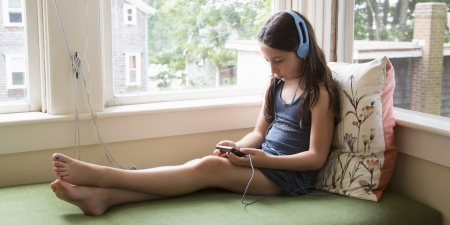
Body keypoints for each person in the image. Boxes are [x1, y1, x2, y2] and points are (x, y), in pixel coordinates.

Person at [50, 10, 341, 216]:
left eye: (278, 60)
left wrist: (265, 159)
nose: (273, 69)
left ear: (303, 49)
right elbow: (259, 133)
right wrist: (237, 148)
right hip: (263, 165)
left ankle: (106, 176)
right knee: (199, 168)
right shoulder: (276, 85)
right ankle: (103, 198)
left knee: (206, 169)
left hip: (288, 180)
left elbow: (317, 156)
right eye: (268, 60)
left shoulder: (319, 94)